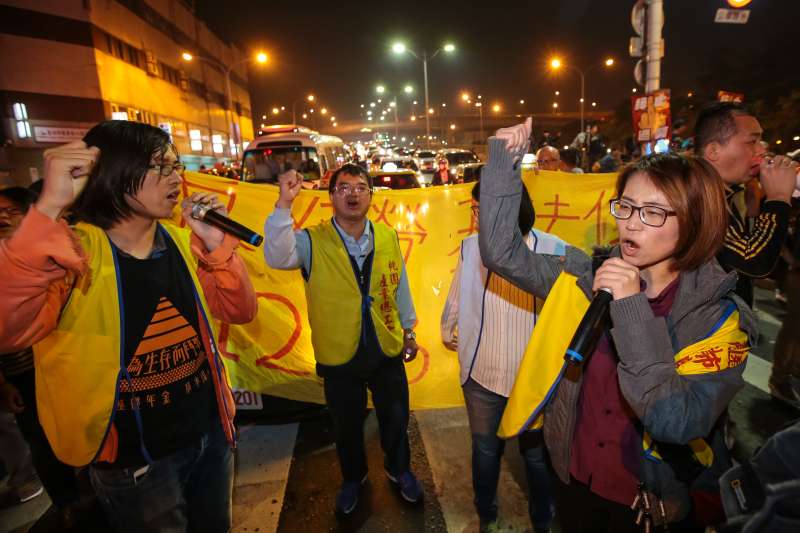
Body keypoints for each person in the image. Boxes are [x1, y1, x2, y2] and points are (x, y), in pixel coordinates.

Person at [480, 118, 758, 531]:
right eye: (626, 206)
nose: (630, 222)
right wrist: (505, 162)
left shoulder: (718, 319)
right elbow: (501, 252)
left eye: (652, 212)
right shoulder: (590, 274)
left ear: (695, 220)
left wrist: (630, 310)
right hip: (575, 479)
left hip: (648, 504)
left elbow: (677, 422)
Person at [0, 120, 258, 533]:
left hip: (210, 435)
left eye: (175, 166)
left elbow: (241, 310)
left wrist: (216, 248)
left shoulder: (180, 241)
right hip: (134, 463)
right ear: (116, 174)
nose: (175, 177)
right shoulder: (71, 255)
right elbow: (9, 330)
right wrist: (46, 210)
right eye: (159, 166)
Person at [264, 163, 423, 516]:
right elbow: (275, 256)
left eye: (361, 187)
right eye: (344, 188)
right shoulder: (310, 240)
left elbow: (400, 287)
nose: (353, 194)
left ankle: (400, 471)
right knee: (346, 425)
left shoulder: (387, 236)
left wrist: (409, 330)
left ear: (371, 194)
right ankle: (353, 478)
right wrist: (283, 206)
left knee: (396, 417)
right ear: (331, 196)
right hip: (339, 352)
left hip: (385, 346)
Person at [441, 181, 562, 533]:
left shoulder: (553, 249)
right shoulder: (470, 249)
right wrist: (448, 330)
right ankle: (488, 515)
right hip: (483, 373)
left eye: (481, 209)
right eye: (474, 209)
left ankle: (542, 518)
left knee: (536, 456)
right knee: (486, 451)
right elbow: (458, 295)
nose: (475, 217)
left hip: (535, 379)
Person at [693, 101, 797, 307]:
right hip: (706, 331)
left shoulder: (729, 192)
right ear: (713, 151)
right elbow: (752, 261)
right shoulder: (699, 197)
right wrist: (777, 198)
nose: (761, 150)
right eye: (752, 142)